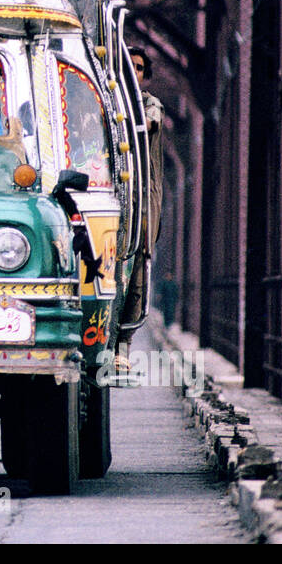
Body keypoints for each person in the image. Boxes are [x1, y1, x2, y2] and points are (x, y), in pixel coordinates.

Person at [114, 46, 165, 374]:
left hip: (142, 202)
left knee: (135, 268)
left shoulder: (149, 104)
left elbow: (144, 126)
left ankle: (122, 345)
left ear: (145, 75)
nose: (133, 71)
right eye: (127, 66)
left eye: (139, 67)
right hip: (111, 197)